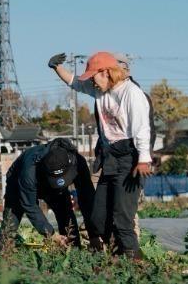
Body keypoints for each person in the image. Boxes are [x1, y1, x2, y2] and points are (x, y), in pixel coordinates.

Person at [48, 51, 152, 258]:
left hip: (129, 159)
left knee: (122, 219)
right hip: (109, 158)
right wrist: (56, 67)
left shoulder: (131, 93)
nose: (92, 83)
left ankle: (138, 266)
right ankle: (116, 259)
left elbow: (142, 128)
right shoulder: (101, 90)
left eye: (94, 76)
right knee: (97, 217)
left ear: (105, 72)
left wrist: (143, 159)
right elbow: (75, 83)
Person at [2, 138, 98, 248]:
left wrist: (94, 234)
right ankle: (1, 252)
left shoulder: (77, 162)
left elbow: (87, 198)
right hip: (18, 182)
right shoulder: (28, 171)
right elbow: (29, 205)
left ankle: (74, 251)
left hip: (52, 187)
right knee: (11, 221)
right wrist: (50, 234)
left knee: (66, 214)